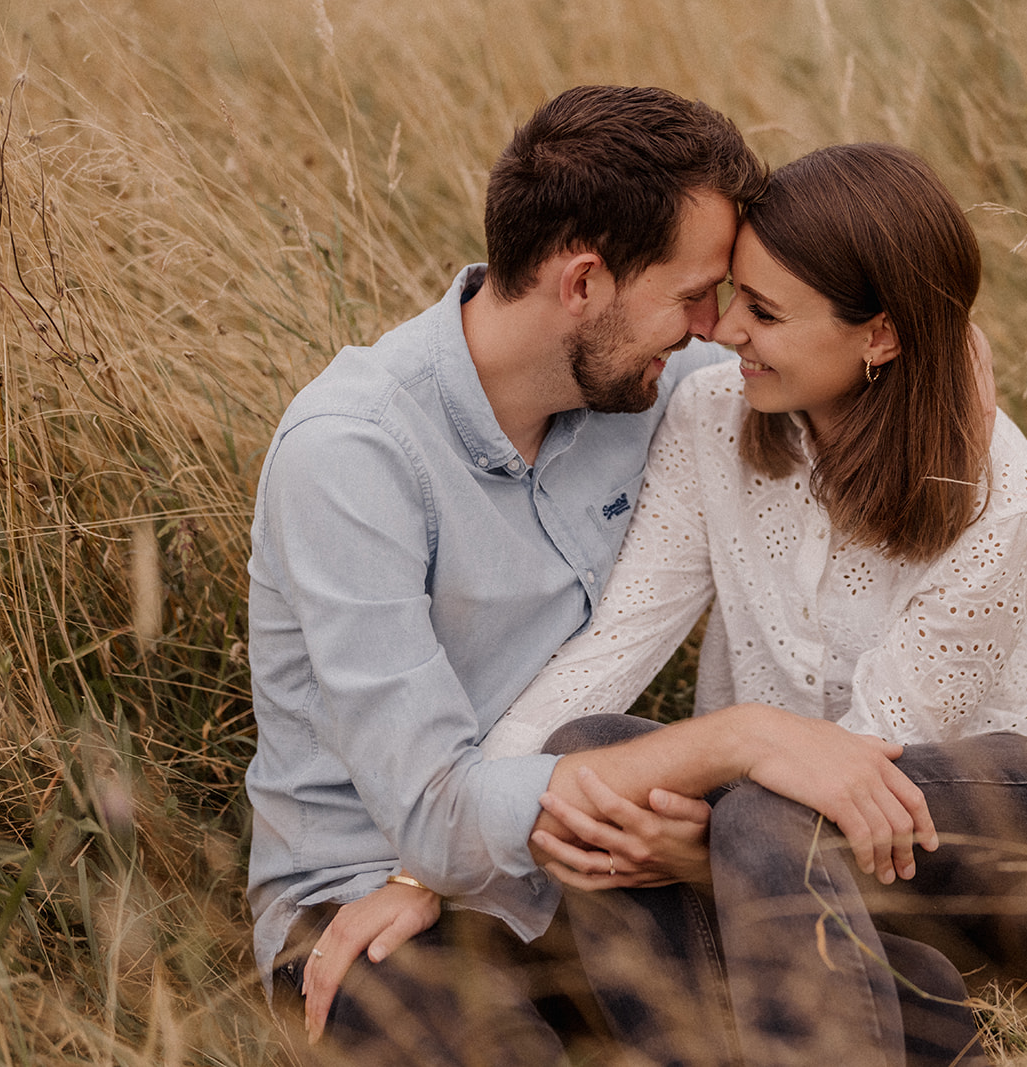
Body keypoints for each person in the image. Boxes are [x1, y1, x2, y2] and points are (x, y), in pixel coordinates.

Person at [244, 88, 941, 1067]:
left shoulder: (655, 378)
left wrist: (948, 351)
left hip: (593, 870)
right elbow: (438, 818)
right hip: (373, 896)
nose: (719, 325)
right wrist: (747, 738)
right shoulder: (352, 455)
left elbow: (879, 342)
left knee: (913, 1017)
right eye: (697, 293)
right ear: (582, 283)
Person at [486, 143, 1027, 1066]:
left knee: (772, 814)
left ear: (879, 334)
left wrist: (700, 846)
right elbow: (613, 645)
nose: (722, 331)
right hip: (786, 834)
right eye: (730, 297)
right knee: (588, 760)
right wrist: (455, 824)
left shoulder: (999, 488)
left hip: (1019, 836)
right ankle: (918, 1025)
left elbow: (866, 772)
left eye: (765, 312)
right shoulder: (709, 418)